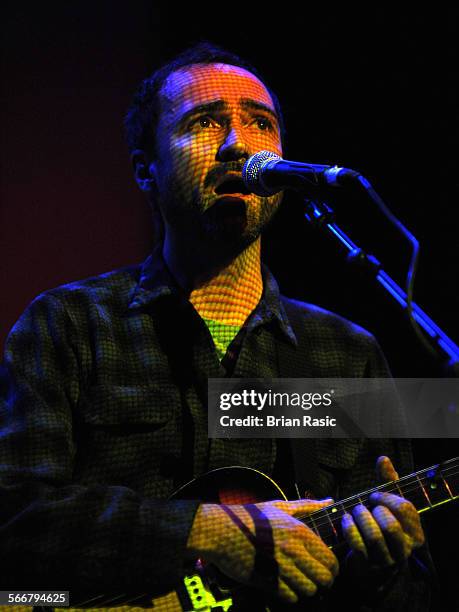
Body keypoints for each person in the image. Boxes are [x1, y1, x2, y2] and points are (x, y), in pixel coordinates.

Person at [0, 43, 433, 611]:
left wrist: (382, 568)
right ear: (144, 170)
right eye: (205, 122)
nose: (237, 144)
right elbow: (14, 516)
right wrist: (205, 530)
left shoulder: (349, 354)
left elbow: (418, 593)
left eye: (261, 124)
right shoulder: (69, 324)